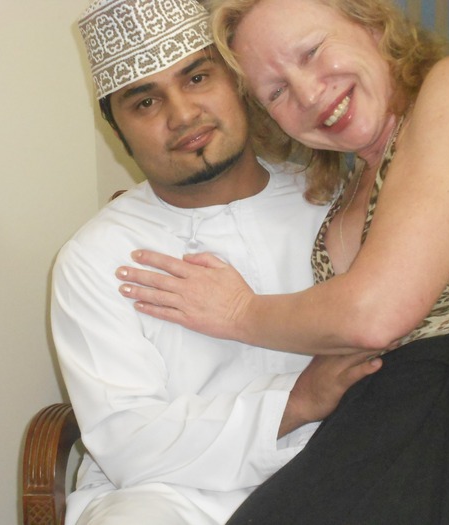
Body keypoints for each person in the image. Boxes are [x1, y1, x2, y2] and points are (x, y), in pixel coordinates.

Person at [114, 0, 449, 522]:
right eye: (277, 91)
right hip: (385, 418)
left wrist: (238, 311)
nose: (309, 94)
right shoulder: (334, 192)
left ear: (372, 24)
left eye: (312, 52)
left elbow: (377, 313)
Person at [53, 1, 387, 524]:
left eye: (198, 77)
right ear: (118, 132)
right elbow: (127, 442)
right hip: (169, 498)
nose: (183, 114)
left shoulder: (334, 202)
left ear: (238, 84)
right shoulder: (96, 258)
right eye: (145, 102)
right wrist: (295, 402)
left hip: (344, 470)